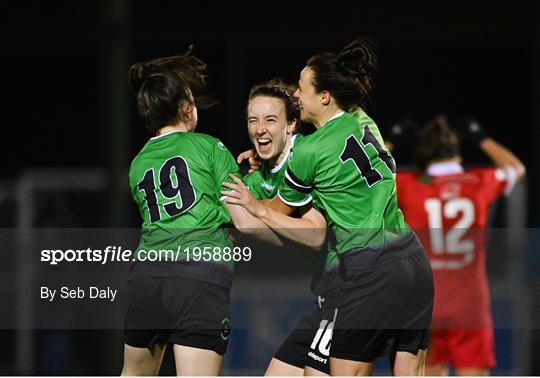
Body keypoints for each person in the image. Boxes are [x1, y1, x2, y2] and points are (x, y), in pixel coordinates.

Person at [222, 37, 434, 376]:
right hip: (412, 259)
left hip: (365, 271)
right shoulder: (361, 119)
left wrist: (247, 201)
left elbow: (285, 217)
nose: (296, 95)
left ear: (324, 96)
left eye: (302, 89)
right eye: (253, 121)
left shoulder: (309, 153)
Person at [121, 48, 281, 376]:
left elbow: (188, 207)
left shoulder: (137, 164)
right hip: (199, 277)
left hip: (147, 278)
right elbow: (243, 222)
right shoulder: (209, 147)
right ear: (185, 109)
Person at [395, 115, 526, 376]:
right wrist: (482, 139)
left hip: (425, 307)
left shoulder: (406, 184)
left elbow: (363, 177)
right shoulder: (479, 181)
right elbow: (516, 168)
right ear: (457, 154)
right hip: (470, 306)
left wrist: (392, 143)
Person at [239, 78, 332, 376]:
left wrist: (254, 210)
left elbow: (315, 234)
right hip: (324, 296)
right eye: (253, 120)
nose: (260, 129)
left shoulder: (306, 157)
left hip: (355, 286)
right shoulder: (256, 177)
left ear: (291, 124)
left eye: (270, 120)